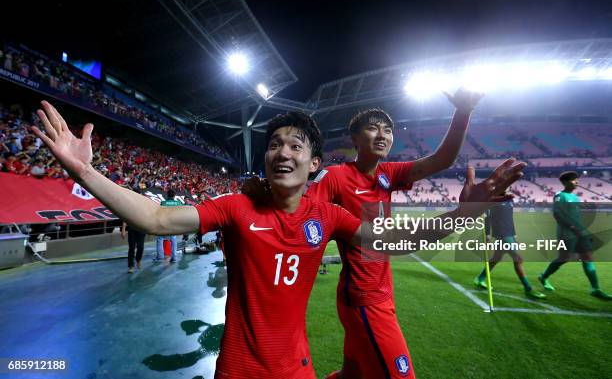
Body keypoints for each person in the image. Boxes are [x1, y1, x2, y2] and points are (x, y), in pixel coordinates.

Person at [31, 100, 523, 378]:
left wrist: (467, 210)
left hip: (297, 369)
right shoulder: (237, 208)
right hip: (241, 371)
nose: (281, 152)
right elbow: (157, 219)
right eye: (273, 145)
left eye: (295, 145)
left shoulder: (328, 216)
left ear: (314, 164)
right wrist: (85, 170)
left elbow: (393, 241)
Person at [246, 89, 482, 379]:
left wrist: (463, 113)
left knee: (353, 375)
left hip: (383, 292)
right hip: (364, 298)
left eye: (388, 130)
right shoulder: (336, 177)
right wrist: (264, 196)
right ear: (354, 139)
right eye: (372, 128)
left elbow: (441, 160)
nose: (382, 134)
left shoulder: (389, 174)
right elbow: (302, 210)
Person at [538, 171, 611, 300]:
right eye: (573, 180)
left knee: (587, 257)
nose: (577, 182)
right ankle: (543, 277)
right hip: (566, 233)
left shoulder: (576, 197)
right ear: (565, 182)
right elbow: (557, 215)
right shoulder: (560, 196)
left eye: (577, 179)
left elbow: (576, 217)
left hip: (579, 232)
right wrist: (572, 228)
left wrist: (584, 231)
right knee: (564, 258)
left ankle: (595, 288)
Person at [473, 195, 546, 299]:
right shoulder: (494, 199)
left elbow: (510, 218)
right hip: (502, 234)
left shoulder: (510, 199)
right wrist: (487, 235)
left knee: (496, 258)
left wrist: (514, 235)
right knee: (518, 259)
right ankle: (528, 289)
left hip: (509, 233)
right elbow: (488, 218)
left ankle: (480, 279)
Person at [155, 189, 182, 263]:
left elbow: (159, 213)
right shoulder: (178, 203)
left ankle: (160, 257)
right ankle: (174, 258)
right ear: (174, 195)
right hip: (174, 224)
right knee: (173, 239)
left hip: (164, 224)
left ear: (167, 195)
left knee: (160, 239)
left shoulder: (163, 203)